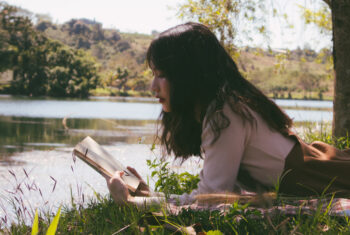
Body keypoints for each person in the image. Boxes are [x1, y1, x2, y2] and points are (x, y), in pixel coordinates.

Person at [105, 22, 350, 206]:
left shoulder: (225, 113)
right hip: (320, 170)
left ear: (187, 75)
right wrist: (149, 193)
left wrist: (135, 203)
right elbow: (214, 195)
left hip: (325, 177)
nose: (152, 86)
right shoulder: (223, 107)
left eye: (161, 74)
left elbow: (210, 202)